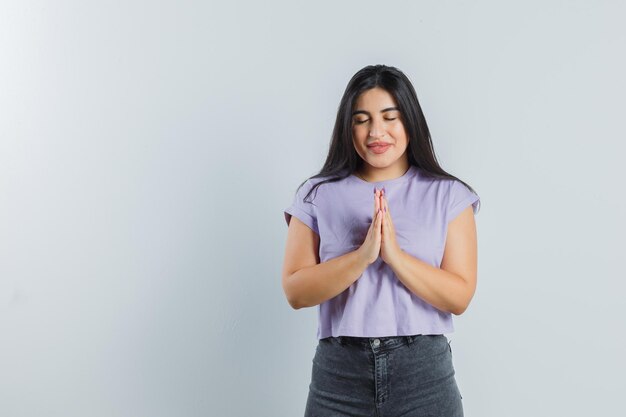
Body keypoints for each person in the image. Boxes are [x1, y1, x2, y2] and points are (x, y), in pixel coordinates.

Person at [282, 64, 480, 417]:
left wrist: (395, 257)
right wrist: (362, 256)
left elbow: (460, 296)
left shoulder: (449, 194)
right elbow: (296, 291)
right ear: (348, 126)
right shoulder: (317, 194)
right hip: (339, 375)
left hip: (423, 375)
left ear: (410, 121)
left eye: (390, 117)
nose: (377, 131)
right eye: (362, 119)